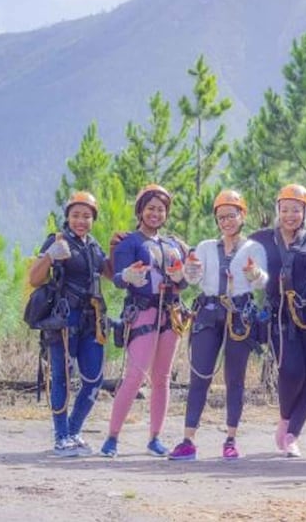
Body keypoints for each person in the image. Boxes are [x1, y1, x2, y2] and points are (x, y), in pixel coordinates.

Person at [167, 190, 269, 461]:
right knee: (200, 375)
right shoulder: (204, 247)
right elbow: (195, 277)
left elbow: (262, 281)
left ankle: (231, 438)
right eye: (221, 217)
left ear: (242, 216)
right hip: (209, 311)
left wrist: (255, 274)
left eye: (231, 215)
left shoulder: (253, 248)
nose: (226, 221)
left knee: (235, 379)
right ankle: (188, 440)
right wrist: (186, 273)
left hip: (239, 313)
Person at [250, 184, 306, 458]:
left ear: (305, 212)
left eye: (296, 210)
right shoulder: (262, 238)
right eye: (285, 209)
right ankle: (285, 418)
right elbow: (230, 244)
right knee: (291, 371)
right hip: (279, 315)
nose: (290, 215)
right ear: (278, 211)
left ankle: (292, 435)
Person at [100, 183, 190, 458]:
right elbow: (117, 278)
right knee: (135, 375)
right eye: (150, 208)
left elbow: (184, 281)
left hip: (170, 314)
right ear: (140, 211)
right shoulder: (130, 242)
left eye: (160, 209)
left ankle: (155, 438)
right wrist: (128, 276)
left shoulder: (174, 245)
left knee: (162, 378)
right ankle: (112, 437)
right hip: (143, 312)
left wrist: (180, 278)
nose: (155, 213)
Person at [28, 191, 112, 457]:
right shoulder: (57, 240)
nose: (81, 220)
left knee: (94, 379)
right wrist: (50, 255)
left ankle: (74, 431)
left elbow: (110, 272)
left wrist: (118, 249)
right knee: (61, 377)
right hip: (64, 319)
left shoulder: (93, 245)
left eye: (86, 216)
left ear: (93, 219)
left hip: (91, 320)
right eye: (75, 215)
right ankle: (60, 436)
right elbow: (34, 278)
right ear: (67, 217)